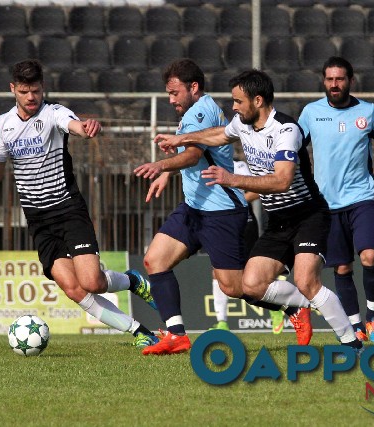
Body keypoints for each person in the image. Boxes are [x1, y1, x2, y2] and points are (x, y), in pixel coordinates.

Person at [156, 69, 363, 355]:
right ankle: (303, 306)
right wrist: (181, 139)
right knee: (251, 285)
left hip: (308, 216)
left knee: (306, 280)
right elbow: (218, 135)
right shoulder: (242, 124)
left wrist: (233, 179)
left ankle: (352, 344)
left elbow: (282, 180)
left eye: (238, 101)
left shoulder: (286, 130)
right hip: (278, 221)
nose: (234, 107)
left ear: (258, 100)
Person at [134, 60, 312, 356]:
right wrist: (167, 173)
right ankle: (176, 335)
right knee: (155, 260)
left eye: (174, 93)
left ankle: (292, 305)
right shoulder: (196, 110)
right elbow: (197, 156)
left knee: (234, 286)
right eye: (168, 94)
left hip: (221, 212)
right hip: (194, 208)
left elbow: (192, 155)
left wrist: (161, 165)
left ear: (193, 87)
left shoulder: (201, 112)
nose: (171, 99)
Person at [0, 59, 159, 349]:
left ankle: (133, 282)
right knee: (74, 289)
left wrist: (88, 128)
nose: (31, 97)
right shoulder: (3, 125)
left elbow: (76, 127)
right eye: (24, 92)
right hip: (38, 220)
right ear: (13, 89)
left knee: (93, 282)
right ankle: (139, 332)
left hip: (67, 210)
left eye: (35, 90)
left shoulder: (53, 113)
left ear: (42, 88)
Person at [298, 57, 374, 342]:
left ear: (350, 80)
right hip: (326, 205)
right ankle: (355, 326)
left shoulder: (368, 112)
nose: (334, 84)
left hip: (361, 198)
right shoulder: (311, 113)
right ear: (324, 81)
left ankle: (373, 316)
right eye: (329, 79)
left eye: (339, 79)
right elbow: (293, 148)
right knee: (342, 267)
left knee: (369, 256)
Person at [209, 160, 287, 335]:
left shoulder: (239, 166)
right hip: (221, 224)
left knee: (253, 275)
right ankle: (222, 322)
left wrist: (238, 201)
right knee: (217, 271)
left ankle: (276, 308)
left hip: (245, 224)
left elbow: (259, 190)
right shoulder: (207, 167)